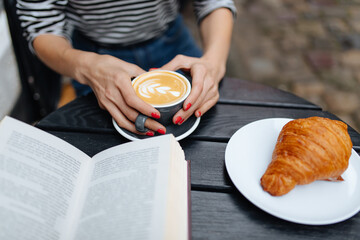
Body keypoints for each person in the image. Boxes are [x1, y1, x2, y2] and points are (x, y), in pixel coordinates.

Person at [16, 0, 236, 136]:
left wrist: (213, 62)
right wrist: (87, 66)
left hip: (174, 44)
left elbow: (213, 2)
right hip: (96, 60)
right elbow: (42, 25)